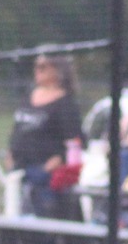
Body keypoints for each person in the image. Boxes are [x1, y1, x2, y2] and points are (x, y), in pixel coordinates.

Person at [8, 55, 85, 221]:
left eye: (43, 67)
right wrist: (11, 154)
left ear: (57, 71)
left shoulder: (65, 103)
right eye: (36, 66)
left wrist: (53, 165)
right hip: (21, 171)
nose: (37, 71)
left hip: (46, 177)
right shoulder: (30, 96)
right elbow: (17, 129)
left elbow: (75, 143)